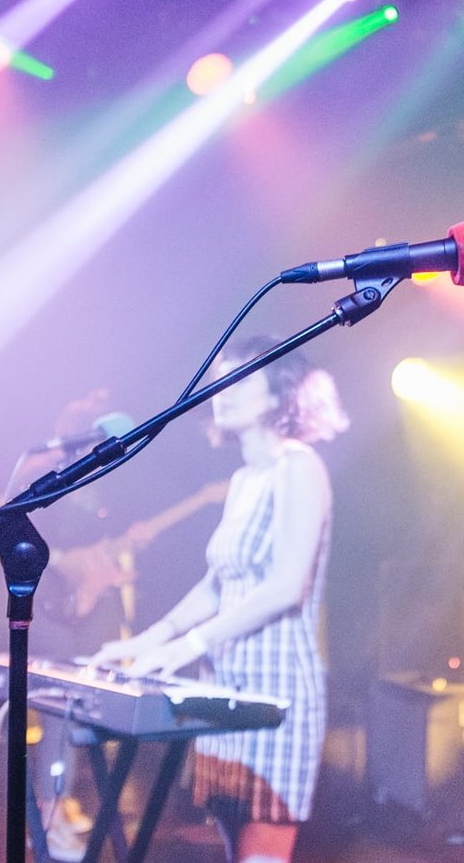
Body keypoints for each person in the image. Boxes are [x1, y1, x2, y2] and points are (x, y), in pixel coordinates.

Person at [91, 339, 347, 863]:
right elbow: (216, 585)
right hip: (223, 688)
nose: (223, 391)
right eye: (222, 379)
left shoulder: (300, 467)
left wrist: (188, 645)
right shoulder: (243, 480)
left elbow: (285, 584)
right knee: (236, 853)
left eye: (241, 378)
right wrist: (146, 641)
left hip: (277, 696)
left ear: (279, 394)